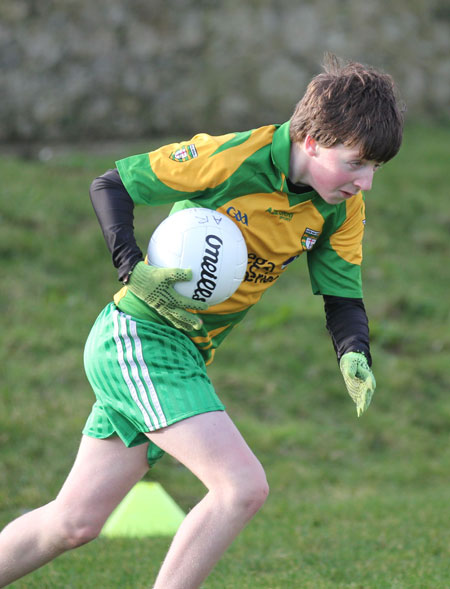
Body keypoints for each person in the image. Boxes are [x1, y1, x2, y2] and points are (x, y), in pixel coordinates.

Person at [0, 53, 404, 588]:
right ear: (313, 138)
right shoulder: (232, 157)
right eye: (356, 163)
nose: (365, 182)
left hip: (182, 355)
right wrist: (133, 271)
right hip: (140, 339)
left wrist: (354, 352)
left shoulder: (339, 207)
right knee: (241, 487)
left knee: (73, 522)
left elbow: (343, 297)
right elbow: (112, 183)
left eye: (375, 168)